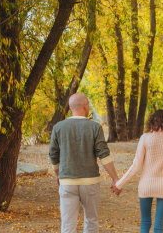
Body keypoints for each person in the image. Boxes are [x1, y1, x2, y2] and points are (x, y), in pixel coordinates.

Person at [49, 93, 121, 233]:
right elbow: (104, 155)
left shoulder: (58, 127)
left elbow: (53, 154)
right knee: (91, 220)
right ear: (85, 105)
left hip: (67, 182)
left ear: (70, 107)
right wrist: (115, 178)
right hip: (90, 183)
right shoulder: (94, 127)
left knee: (68, 224)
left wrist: (58, 174)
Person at [112, 110, 163, 233]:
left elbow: (136, 166)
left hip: (146, 185)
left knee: (145, 223)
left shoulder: (145, 138)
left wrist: (119, 184)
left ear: (152, 121)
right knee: (159, 227)